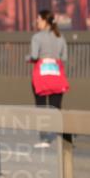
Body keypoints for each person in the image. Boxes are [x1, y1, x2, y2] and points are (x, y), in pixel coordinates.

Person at [29, 9, 68, 148]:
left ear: (45, 21)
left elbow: (34, 56)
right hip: (57, 74)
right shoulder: (60, 37)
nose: (37, 22)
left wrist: (28, 59)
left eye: (38, 19)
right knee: (56, 107)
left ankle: (44, 138)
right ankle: (59, 136)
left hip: (41, 76)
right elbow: (64, 58)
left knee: (41, 106)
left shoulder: (37, 37)